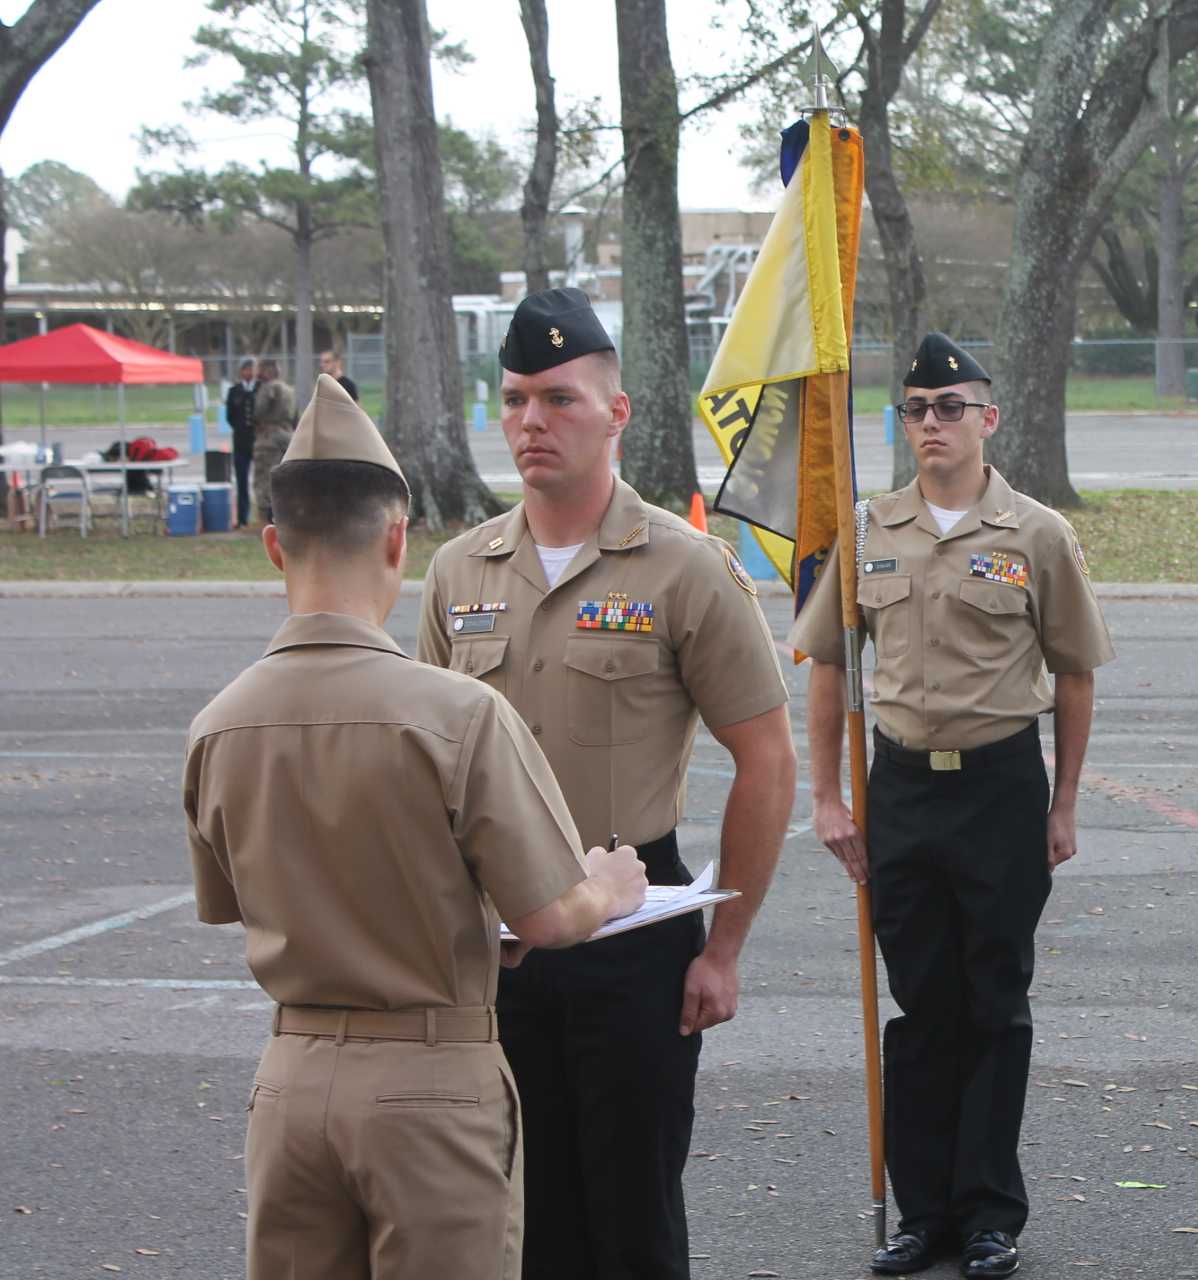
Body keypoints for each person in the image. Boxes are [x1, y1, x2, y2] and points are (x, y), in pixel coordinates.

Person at [183, 373, 651, 1279]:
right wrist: (608, 889)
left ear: (274, 545)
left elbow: (254, 898)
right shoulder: (457, 714)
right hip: (430, 1083)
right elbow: (552, 917)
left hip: (291, 1079)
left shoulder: (219, 724)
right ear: (398, 539)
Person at [417, 286, 797, 1280]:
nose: (531, 421)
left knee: (631, 1222)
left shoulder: (683, 568)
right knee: (517, 1220)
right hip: (497, 945)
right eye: (513, 400)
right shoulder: (460, 573)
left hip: (634, 936)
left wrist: (724, 949)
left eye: (559, 398)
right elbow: (424, 773)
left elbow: (767, 757)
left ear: (617, 411)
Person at [792, 332, 1114, 1280]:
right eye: (916, 411)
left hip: (1001, 790)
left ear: (989, 419)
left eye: (951, 408)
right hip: (899, 793)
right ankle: (922, 1211)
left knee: (995, 1002)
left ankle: (987, 1213)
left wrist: (1065, 804)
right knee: (922, 1005)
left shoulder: (1036, 534)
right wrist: (826, 797)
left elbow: (1076, 672)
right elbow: (826, 667)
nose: (933, 425)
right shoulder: (868, 531)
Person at [250, 359, 297, 525]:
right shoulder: (290, 390)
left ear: (267, 371)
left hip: (268, 438)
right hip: (287, 436)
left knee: (264, 478)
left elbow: (259, 411)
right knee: (285, 477)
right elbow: (295, 416)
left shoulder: (268, 388)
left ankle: (265, 520)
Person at [224, 357, 257, 527]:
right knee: (241, 481)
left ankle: (265, 517)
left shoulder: (261, 389)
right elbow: (230, 417)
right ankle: (243, 518)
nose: (248, 372)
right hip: (241, 442)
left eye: (251, 369)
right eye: (245, 369)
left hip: (258, 441)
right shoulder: (234, 391)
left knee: (262, 481)